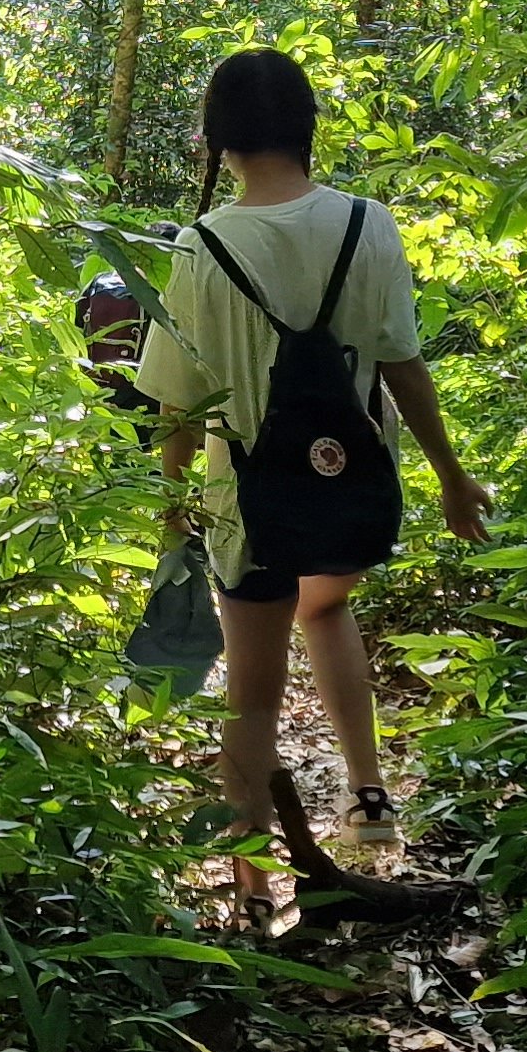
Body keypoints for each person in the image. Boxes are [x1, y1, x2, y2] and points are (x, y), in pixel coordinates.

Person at [132, 48, 487, 911]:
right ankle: (370, 802)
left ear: (216, 140)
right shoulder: (368, 224)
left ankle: (252, 885)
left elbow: (177, 405)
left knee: (251, 697)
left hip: (247, 505)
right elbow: (403, 364)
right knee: (327, 609)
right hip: (348, 487)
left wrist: (174, 510)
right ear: (307, 127)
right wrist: (451, 476)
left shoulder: (202, 246)